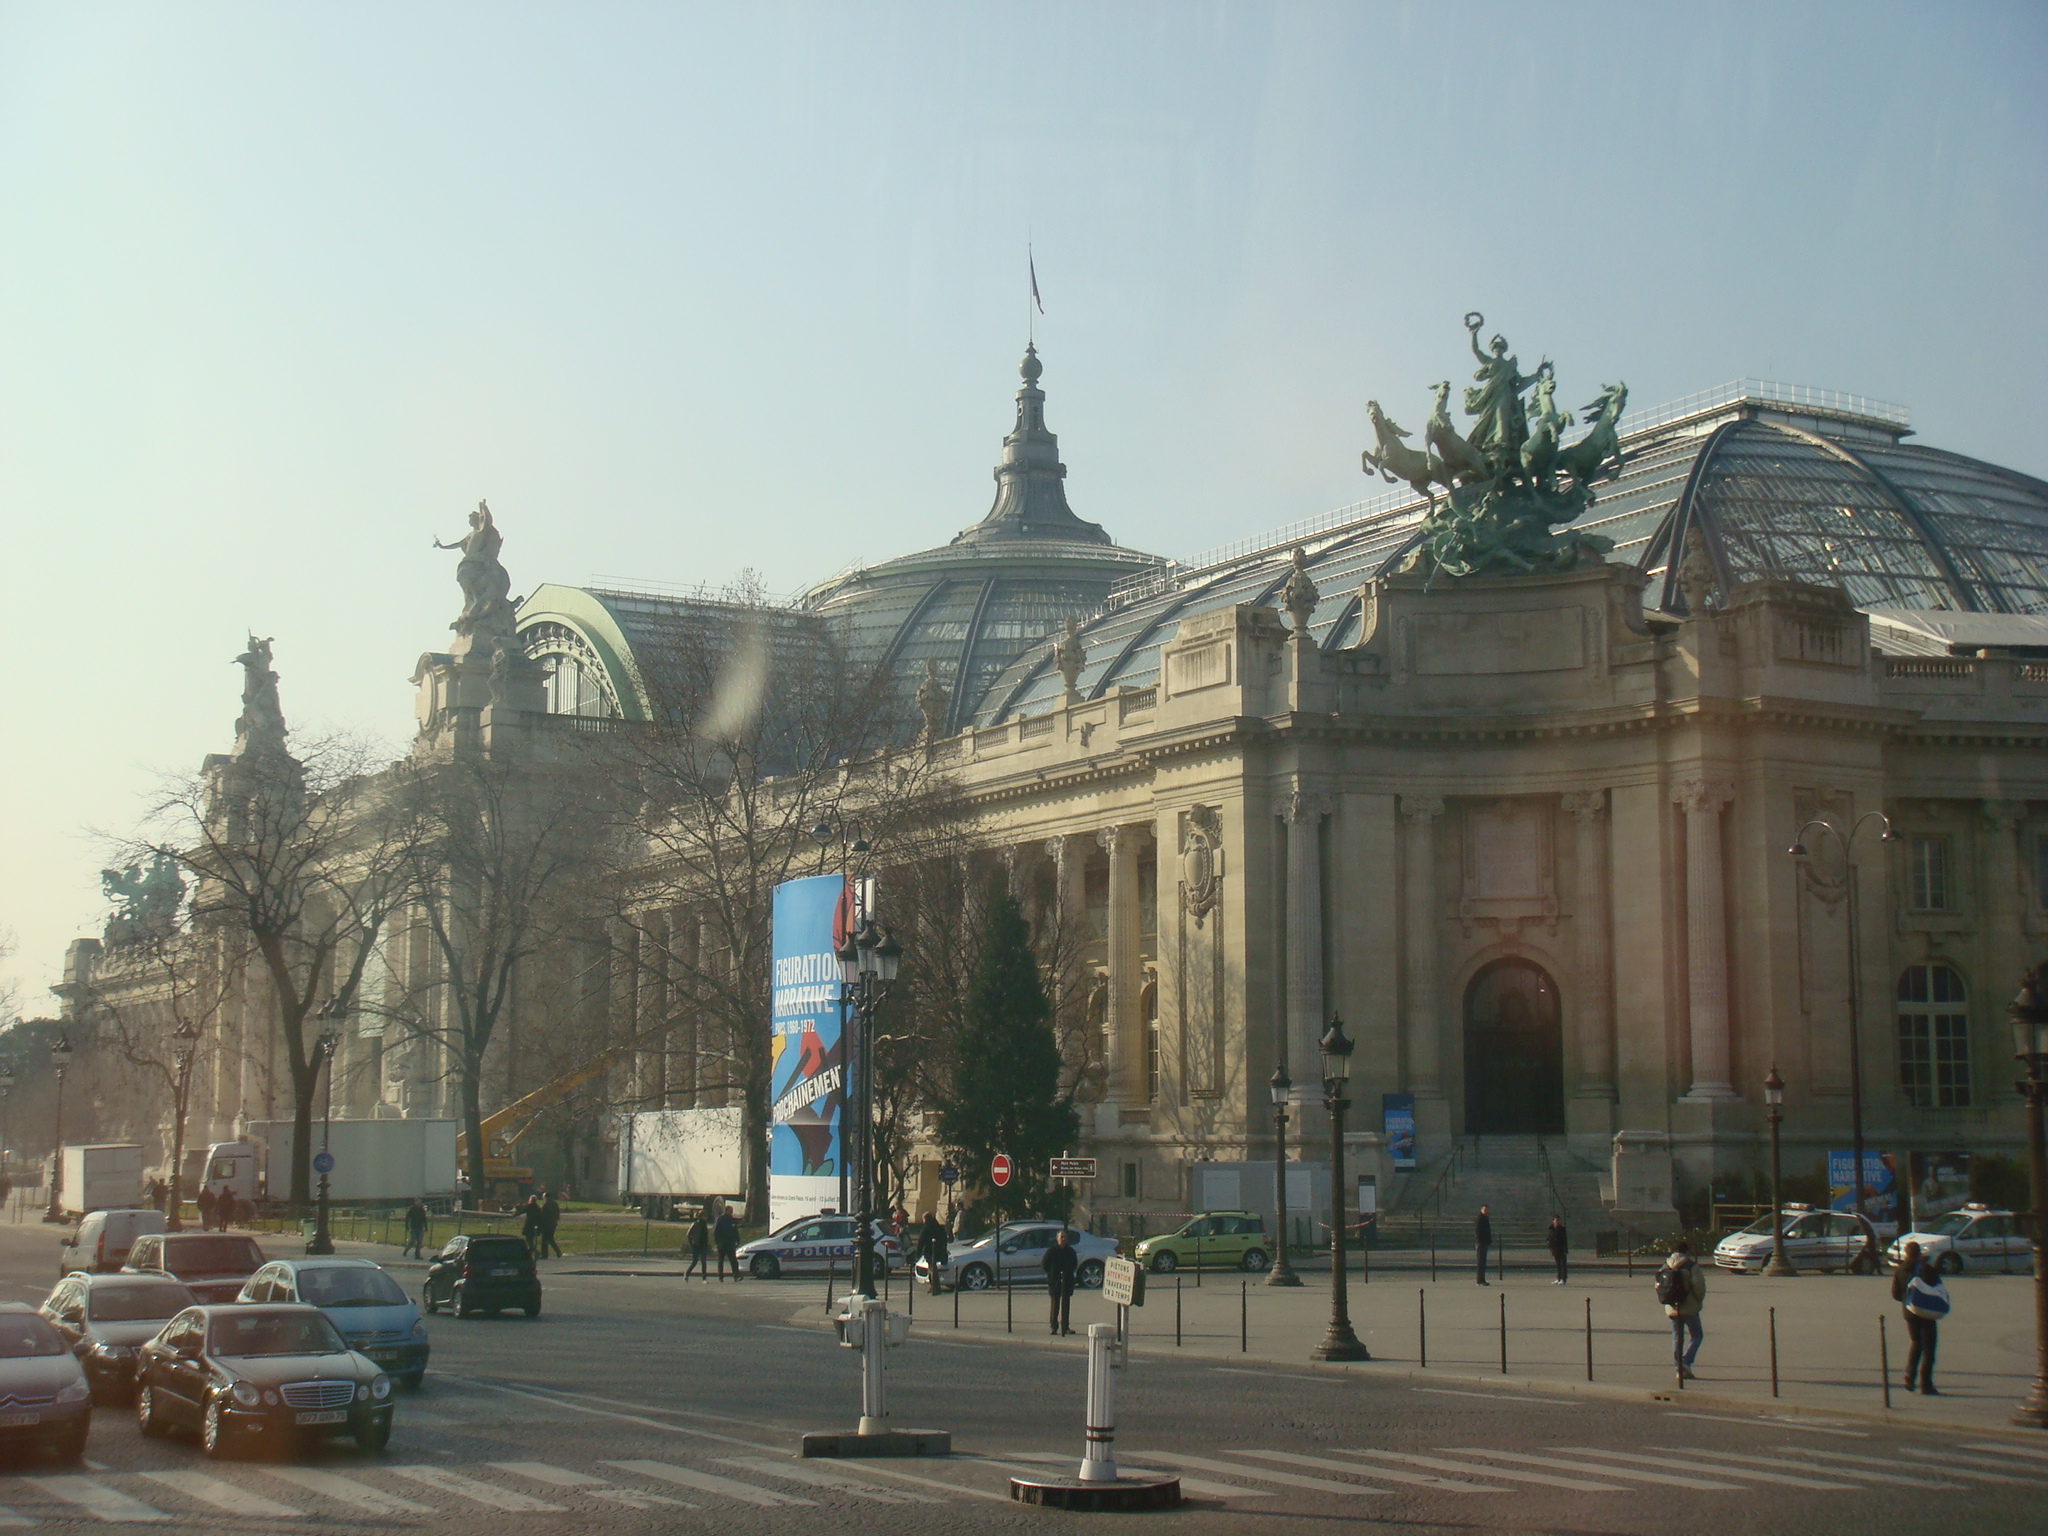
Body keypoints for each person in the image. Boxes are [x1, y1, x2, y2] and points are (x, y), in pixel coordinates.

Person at [1901, 1251, 1950, 1395]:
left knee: (1916, 1343)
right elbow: (1938, 1289)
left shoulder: (1900, 1270)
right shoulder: (1927, 1269)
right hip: (1927, 1313)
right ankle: (1926, 1384)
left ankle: (1910, 1376)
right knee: (1929, 1349)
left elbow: (1895, 1294)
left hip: (1910, 1312)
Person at [1658, 1239, 1707, 1379]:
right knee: (1697, 1335)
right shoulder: (1691, 1266)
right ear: (1687, 1251)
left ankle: (1677, 1365)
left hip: (1672, 1307)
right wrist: (1698, 1300)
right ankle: (1685, 1362)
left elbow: (1659, 1285)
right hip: (1689, 1307)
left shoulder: (1665, 1266)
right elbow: (1699, 1287)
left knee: (1677, 1336)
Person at [1043, 1229, 1080, 1336]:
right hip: (1055, 1281)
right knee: (1055, 1304)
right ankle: (1054, 1327)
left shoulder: (1070, 1251)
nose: (1063, 1239)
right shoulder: (1052, 1251)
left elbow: (1074, 1264)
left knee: (1066, 1304)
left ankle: (1065, 1326)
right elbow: (1045, 1264)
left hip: (1067, 1281)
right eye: (1061, 1237)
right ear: (1057, 1239)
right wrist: (1052, 1274)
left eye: (1065, 1237)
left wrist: (1067, 1274)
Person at [917, 1211, 949, 1295]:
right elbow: (944, 1239)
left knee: (932, 1269)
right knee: (932, 1269)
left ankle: (936, 1288)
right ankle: (933, 1287)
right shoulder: (939, 1227)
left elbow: (921, 1241)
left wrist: (918, 1253)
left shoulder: (926, 1228)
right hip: (939, 1251)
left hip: (930, 1251)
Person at [713, 1203, 742, 1282]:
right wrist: (718, 1242)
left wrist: (737, 1240)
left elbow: (735, 1231)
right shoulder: (720, 1219)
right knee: (721, 1261)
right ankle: (721, 1276)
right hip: (722, 1243)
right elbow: (715, 1232)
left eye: (732, 1211)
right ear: (726, 1211)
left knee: (733, 1260)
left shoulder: (732, 1220)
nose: (731, 1212)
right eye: (730, 1211)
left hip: (730, 1243)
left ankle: (736, 1275)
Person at [683, 1208, 711, 1280]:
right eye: (704, 1216)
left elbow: (705, 1236)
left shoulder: (704, 1225)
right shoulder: (696, 1224)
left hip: (703, 1245)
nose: (706, 1218)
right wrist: (691, 1242)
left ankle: (704, 1278)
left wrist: (706, 1243)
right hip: (696, 1245)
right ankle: (687, 1274)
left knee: (703, 1262)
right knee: (695, 1262)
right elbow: (689, 1234)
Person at [539, 1189, 564, 1259]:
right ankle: (557, 1251)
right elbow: (557, 1214)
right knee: (550, 1239)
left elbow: (543, 1214)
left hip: (546, 1224)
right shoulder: (555, 1203)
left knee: (544, 1240)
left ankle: (544, 1254)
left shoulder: (546, 1204)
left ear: (545, 1197)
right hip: (553, 1224)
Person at [520, 1193, 545, 1259]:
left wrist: (513, 1214)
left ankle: (534, 1252)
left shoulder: (529, 1206)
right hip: (535, 1226)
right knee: (530, 1240)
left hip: (529, 1225)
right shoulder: (537, 1208)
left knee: (528, 1240)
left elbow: (521, 1211)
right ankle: (530, 1252)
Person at [1546, 1214, 1569, 1285]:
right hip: (1555, 1249)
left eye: (1558, 1220)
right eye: (1556, 1220)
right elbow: (1549, 1238)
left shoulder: (1562, 1229)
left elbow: (1564, 1240)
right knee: (1558, 1264)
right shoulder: (1551, 1229)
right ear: (1553, 1221)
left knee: (1563, 1265)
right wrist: (1550, 1247)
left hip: (1561, 1249)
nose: (1557, 1221)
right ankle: (1558, 1278)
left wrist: (1565, 1249)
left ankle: (1563, 1279)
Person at [1475, 1205, 1493, 1285]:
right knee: (1481, 1262)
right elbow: (1479, 1232)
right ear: (1481, 1210)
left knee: (1482, 1261)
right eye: (1485, 1210)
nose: (1486, 1211)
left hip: (1483, 1242)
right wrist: (1482, 1241)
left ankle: (1482, 1279)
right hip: (1481, 1243)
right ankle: (1480, 1280)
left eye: (1487, 1210)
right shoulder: (1480, 1219)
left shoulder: (1485, 1218)